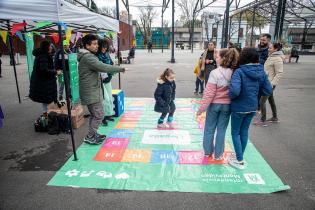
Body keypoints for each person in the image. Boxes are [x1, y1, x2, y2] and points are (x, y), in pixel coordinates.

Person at [228, 48, 272, 170]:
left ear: (243, 57)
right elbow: (268, 90)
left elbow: (234, 91)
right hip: (253, 107)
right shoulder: (261, 72)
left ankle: (239, 160)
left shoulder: (239, 72)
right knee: (244, 132)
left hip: (239, 107)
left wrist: (231, 96)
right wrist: (256, 93)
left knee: (235, 133)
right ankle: (239, 156)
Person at [78, 34, 125, 145]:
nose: (97, 46)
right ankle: (90, 136)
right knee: (99, 115)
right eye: (94, 44)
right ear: (87, 45)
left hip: (92, 90)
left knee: (95, 115)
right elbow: (103, 67)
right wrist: (120, 69)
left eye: (97, 43)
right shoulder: (88, 57)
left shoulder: (89, 55)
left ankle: (93, 134)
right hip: (91, 92)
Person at [196, 48, 239, 160]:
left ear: (224, 58)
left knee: (209, 128)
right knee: (221, 130)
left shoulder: (215, 73)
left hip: (214, 105)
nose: (216, 58)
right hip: (227, 105)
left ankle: (207, 152)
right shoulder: (234, 72)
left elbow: (209, 93)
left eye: (218, 56)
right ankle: (219, 154)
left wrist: (201, 109)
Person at [29, 41, 61, 117]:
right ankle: (47, 115)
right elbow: (44, 70)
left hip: (43, 82)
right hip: (43, 82)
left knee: (45, 99)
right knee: (46, 99)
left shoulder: (42, 55)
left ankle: (46, 114)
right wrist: (55, 72)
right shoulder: (43, 56)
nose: (51, 47)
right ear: (46, 47)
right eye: (49, 46)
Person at [254, 43, 284, 126]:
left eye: (270, 48)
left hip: (269, 84)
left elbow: (279, 73)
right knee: (271, 100)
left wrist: (271, 84)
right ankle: (275, 117)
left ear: (276, 49)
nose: (268, 49)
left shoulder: (277, 59)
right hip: (266, 82)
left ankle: (263, 121)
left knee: (262, 101)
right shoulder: (271, 57)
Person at [97, 39, 116, 126]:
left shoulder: (107, 54)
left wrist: (113, 67)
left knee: (110, 98)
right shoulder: (97, 56)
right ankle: (103, 117)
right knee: (105, 99)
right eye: (103, 47)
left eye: (105, 47)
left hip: (108, 79)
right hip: (101, 80)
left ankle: (108, 114)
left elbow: (111, 63)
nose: (104, 48)